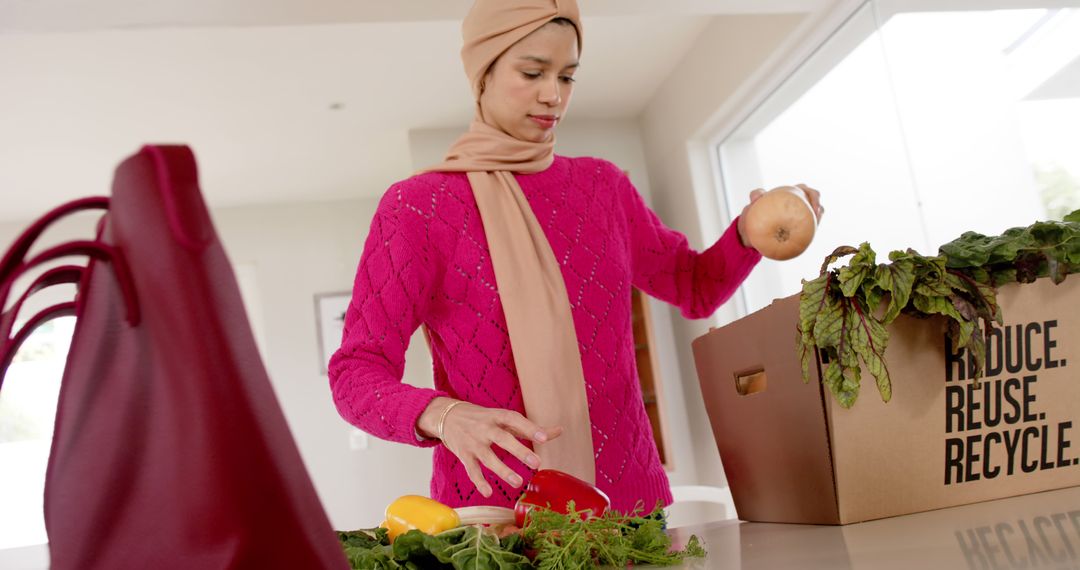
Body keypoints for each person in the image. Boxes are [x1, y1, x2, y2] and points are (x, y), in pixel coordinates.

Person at [328, 0, 824, 514]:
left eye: (567, 76)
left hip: (631, 511)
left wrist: (747, 232)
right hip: (496, 525)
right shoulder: (418, 207)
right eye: (532, 72)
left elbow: (694, 286)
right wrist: (444, 415)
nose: (553, 95)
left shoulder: (602, 187)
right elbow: (355, 373)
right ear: (483, 73)